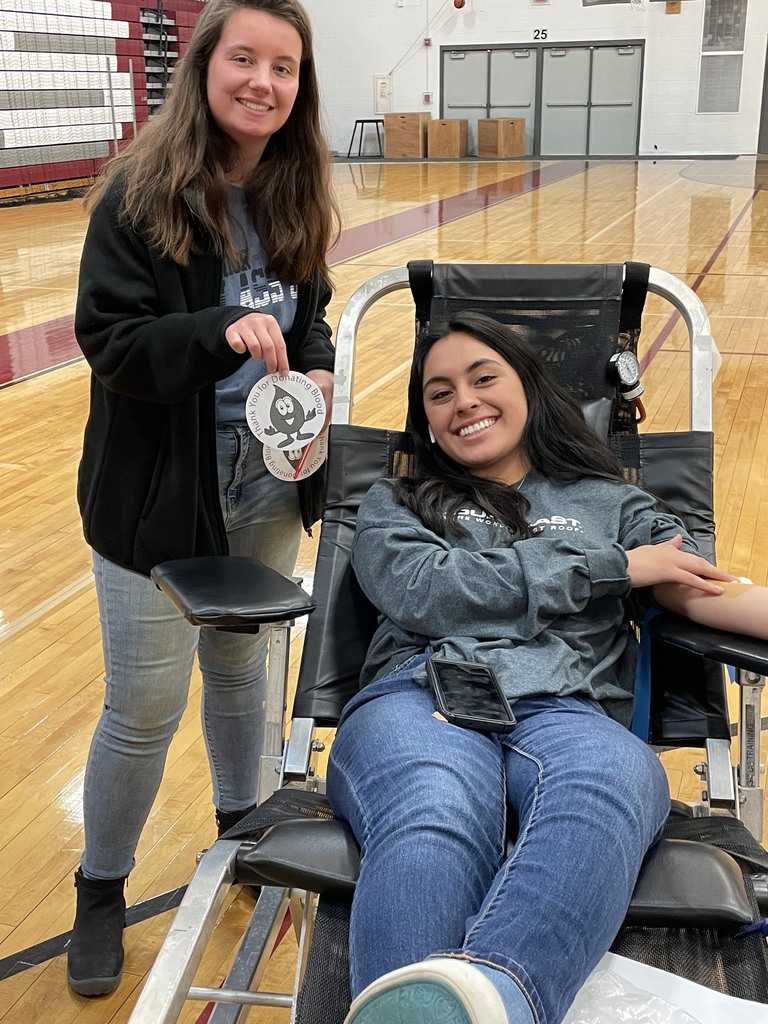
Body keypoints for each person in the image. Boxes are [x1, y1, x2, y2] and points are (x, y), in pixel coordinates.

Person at [326, 312, 768, 1024]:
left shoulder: (613, 501)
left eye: (482, 378)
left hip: (564, 703)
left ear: (528, 385)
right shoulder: (398, 502)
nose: (463, 401)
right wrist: (610, 567)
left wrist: (653, 567)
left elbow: (703, 586)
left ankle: (498, 995)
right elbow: (429, 592)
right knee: (437, 806)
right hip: (423, 692)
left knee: (611, 781)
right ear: (428, 420)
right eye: (439, 393)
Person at [68, 0, 338, 997]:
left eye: (284, 67)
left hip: (265, 485)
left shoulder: (294, 195)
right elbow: (114, 344)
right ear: (204, 64)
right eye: (245, 59)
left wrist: (313, 378)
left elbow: (312, 324)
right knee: (141, 707)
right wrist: (220, 329)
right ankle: (100, 888)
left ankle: (243, 839)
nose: (263, 81)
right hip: (155, 498)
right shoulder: (140, 196)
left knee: (242, 680)